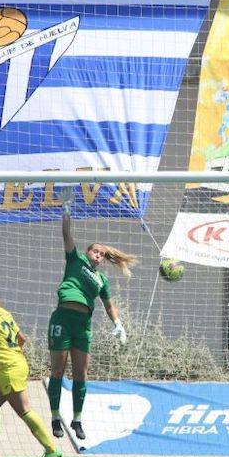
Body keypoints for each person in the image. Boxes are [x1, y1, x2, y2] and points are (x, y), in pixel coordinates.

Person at [48, 187, 135, 440]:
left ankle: (76, 420)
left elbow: (109, 305)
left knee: (81, 372)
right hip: (63, 319)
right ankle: (55, 417)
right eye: (94, 250)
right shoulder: (75, 260)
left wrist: (118, 323)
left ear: (103, 260)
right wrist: (66, 209)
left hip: (83, 325)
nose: (97, 254)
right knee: (57, 371)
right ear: (87, 253)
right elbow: (66, 233)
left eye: (101, 253)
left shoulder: (101, 280)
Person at [0, 280, 63, 457]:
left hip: (8, 368)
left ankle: (51, 449)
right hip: (15, 364)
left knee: (24, 410)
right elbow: (22, 338)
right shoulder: (4, 313)